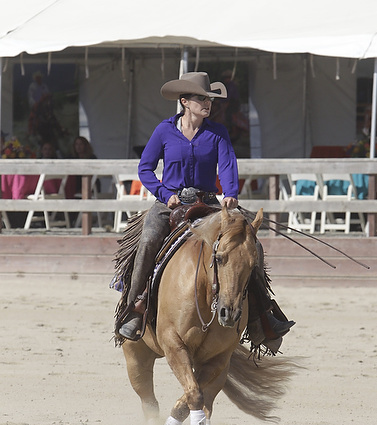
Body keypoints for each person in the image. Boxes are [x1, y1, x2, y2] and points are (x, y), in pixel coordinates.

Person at [118, 72, 294, 348]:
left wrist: (231, 194)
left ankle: (262, 314)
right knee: (149, 239)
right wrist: (165, 194)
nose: (207, 103)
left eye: (209, 98)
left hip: (208, 202)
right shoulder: (164, 130)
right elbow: (145, 169)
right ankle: (135, 308)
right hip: (170, 202)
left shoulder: (217, 132)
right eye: (201, 98)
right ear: (184, 101)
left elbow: (228, 164)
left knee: (251, 245)